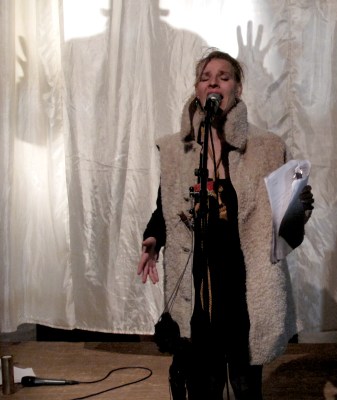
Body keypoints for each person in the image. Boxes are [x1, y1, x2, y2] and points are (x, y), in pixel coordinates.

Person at [136, 49, 314, 399]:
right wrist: (153, 238)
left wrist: (299, 210)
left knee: (246, 383)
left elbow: (287, 231)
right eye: (206, 77)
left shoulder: (267, 148)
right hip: (197, 282)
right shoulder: (175, 150)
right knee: (203, 382)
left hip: (242, 281)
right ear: (197, 89)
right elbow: (165, 207)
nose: (214, 82)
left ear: (238, 88)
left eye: (224, 76)